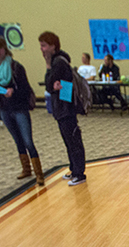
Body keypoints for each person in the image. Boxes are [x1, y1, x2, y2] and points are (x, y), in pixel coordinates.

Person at [0, 35, 44, 186]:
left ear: (5, 48)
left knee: (28, 141)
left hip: (19, 108)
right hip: (5, 108)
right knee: (17, 141)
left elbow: (25, 89)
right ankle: (26, 169)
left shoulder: (15, 67)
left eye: (0, 47)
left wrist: (13, 91)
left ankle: (39, 173)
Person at [40, 31, 85, 185]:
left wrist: (55, 87)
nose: (42, 49)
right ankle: (74, 169)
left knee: (73, 140)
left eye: (44, 45)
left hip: (66, 109)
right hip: (61, 109)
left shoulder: (59, 63)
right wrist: (53, 87)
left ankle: (79, 173)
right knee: (68, 141)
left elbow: (59, 87)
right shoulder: (56, 62)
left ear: (53, 46)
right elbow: (50, 85)